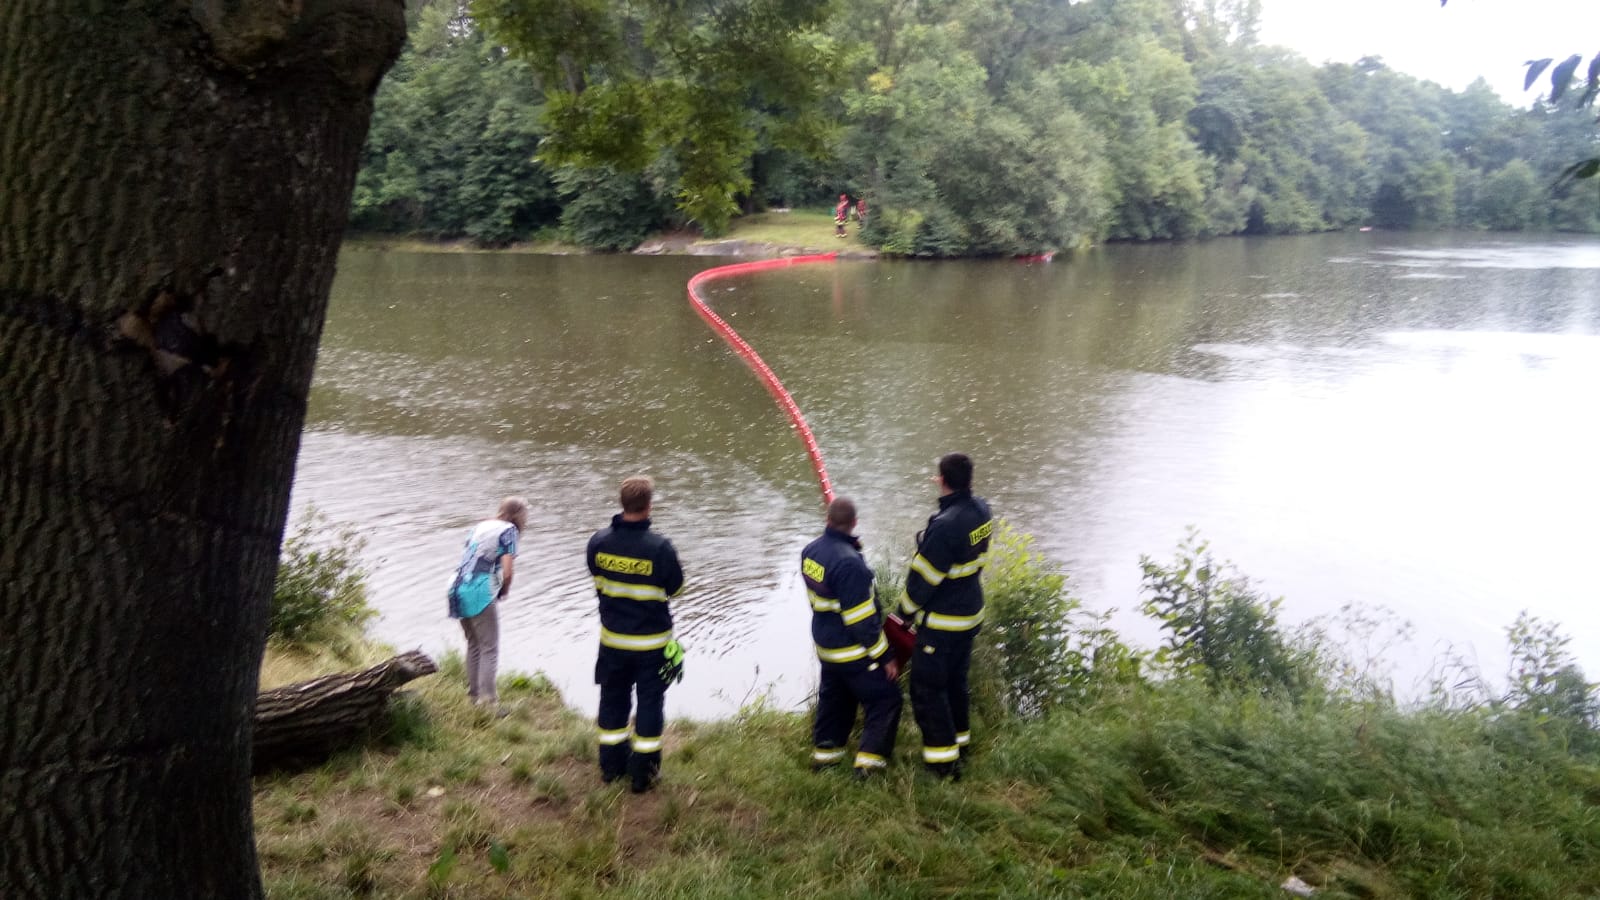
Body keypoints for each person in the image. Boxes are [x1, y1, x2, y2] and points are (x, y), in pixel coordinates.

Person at [587, 476, 685, 793]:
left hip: (612, 641)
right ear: (648, 505)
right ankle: (643, 774)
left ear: (622, 503)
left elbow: (598, 578)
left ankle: (611, 768)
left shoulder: (598, 542)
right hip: (651, 645)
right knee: (649, 704)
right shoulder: (660, 548)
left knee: (612, 700)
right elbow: (676, 589)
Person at [900, 453, 993, 780]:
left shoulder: (944, 527)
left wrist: (903, 614)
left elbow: (924, 579)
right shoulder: (982, 510)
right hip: (969, 615)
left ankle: (943, 766)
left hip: (942, 623)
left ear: (941, 480)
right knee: (955, 683)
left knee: (928, 689)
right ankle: (960, 747)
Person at [802, 498, 902, 779]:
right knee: (886, 699)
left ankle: (825, 761)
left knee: (836, 701)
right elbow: (861, 622)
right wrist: (885, 656)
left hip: (827, 647)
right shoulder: (850, 564)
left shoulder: (810, 552)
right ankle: (869, 768)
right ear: (854, 523)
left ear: (828, 519)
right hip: (852, 651)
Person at [447, 496, 529, 712]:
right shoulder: (509, 531)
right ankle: (489, 703)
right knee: (489, 647)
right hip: (478, 589)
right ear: (518, 515)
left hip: (456, 586)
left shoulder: (481, 526)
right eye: (525, 515)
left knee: (474, 643)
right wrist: (504, 590)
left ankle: (474, 697)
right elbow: (508, 572)